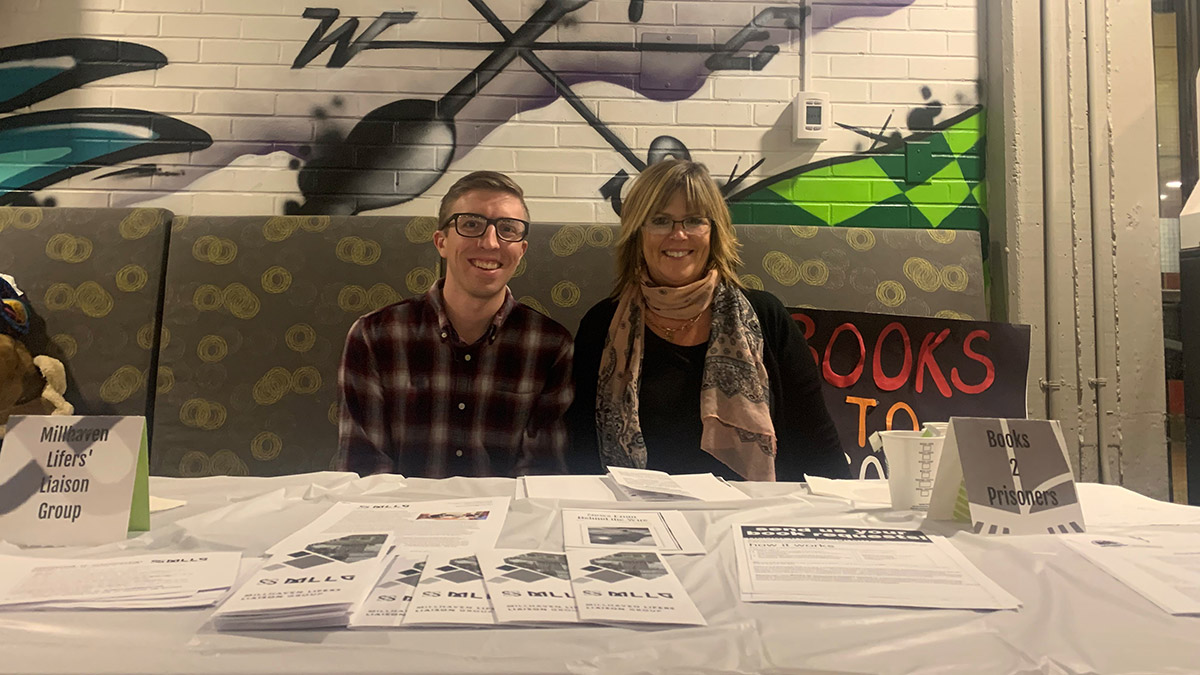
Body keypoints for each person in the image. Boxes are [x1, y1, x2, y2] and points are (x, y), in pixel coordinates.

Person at [566, 160, 847, 481]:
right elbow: (582, 455)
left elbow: (820, 449)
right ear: (637, 233)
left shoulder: (767, 317)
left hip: (749, 514)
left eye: (694, 220)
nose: (679, 234)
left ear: (713, 231)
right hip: (639, 515)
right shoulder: (601, 324)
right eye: (660, 221)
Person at [337, 171, 573, 478]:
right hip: (401, 520)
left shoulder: (550, 346)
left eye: (508, 229)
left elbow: (541, 476)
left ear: (521, 251)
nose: (490, 243)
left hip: (508, 523)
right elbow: (364, 471)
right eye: (471, 225)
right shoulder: (374, 336)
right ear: (441, 242)